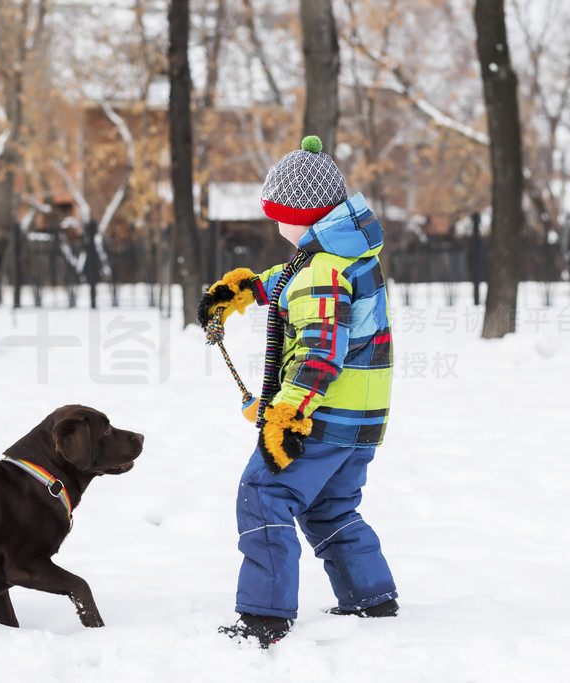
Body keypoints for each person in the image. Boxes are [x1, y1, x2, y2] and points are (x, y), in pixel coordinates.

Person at [197, 135, 398, 648]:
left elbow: (319, 351)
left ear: (301, 216)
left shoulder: (322, 273)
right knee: (330, 507)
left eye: (278, 216)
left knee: (264, 495)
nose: (276, 226)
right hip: (358, 419)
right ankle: (370, 597)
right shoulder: (344, 253)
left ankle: (265, 616)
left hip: (318, 417)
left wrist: (287, 412)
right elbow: (292, 278)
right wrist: (242, 290)